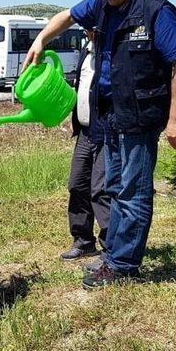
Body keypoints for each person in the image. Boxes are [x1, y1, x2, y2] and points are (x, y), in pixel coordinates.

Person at [23, 0, 176, 289]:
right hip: (108, 115)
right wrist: (41, 38)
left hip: (140, 115)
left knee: (132, 191)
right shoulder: (101, 4)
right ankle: (114, 254)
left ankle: (124, 266)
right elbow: (67, 15)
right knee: (113, 188)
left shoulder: (157, 12)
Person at [61, 30, 111, 264]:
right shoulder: (86, 51)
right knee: (77, 185)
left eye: (92, 29)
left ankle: (111, 248)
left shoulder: (112, 54)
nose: (88, 33)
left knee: (101, 190)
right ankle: (83, 241)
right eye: (86, 29)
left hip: (105, 132)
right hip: (84, 132)